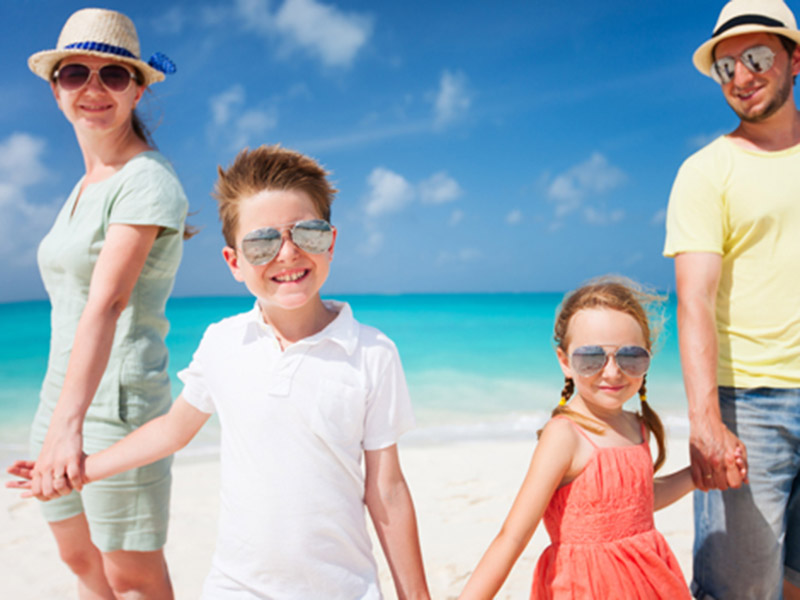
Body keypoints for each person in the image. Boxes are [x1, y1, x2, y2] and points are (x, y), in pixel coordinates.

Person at [11, 145, 430, 600]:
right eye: (262, 242)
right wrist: (83, 470)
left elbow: (386, 490)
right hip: (236, 588)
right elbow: (172, 431)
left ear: (330, 240)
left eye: (306, 233)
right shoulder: (223, 342)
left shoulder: (371, 353)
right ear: (234, 262)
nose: (287, 254)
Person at [19, 7, 186, 599]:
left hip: (117, 406)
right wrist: (57, 419)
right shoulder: (88, 184)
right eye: (75, 74)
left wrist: (68, 430)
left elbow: (107, 303)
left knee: (132, 577)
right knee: (77, 557)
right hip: (60, 395)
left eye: (113, 75)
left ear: (137, 88)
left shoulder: (147, 181)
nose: (93, 88)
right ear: (55, 87)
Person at [663, 0, 800, 597]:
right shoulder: (705, 171)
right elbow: (695, 301)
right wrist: (705, 422)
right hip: (750, 407)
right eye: (726, 67)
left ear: (795, 58)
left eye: (758, 57)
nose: (742, 76)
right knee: (740, 591)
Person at [458, 278, 699, 599]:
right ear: (564, 361)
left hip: (649, 581)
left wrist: (695, 475)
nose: (612, 372)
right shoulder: (564, 436)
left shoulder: (636, 426)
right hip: (585, 587)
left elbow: (636, 502)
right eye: (591, 358)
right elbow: (513, 537)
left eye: (630, 357)